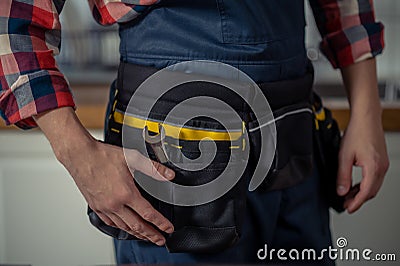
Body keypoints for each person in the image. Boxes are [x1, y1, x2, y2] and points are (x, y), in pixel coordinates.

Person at [0, 0, 389, 265]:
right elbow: (10, 19)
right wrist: (78, 155)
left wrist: (367, 111)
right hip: (174, 170)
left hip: (294, 153)